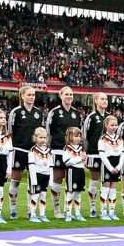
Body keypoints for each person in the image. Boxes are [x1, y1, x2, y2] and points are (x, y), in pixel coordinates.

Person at [9, 85, 44, 220]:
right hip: (19, 150)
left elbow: (41, 133)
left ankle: (31, 210)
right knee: (15, 181)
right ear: (22, 96)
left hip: (34, 152)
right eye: (29, 95)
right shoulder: (16, 112)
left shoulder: (38, 113)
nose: (31, 97)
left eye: (33, 95)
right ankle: (13, 209)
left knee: (33, 182)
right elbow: (10, 132)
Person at [47, 87, 83, 218]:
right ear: (60, 95)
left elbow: (79, 133)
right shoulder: (54, 112)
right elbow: (48, 132)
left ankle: (69, 210)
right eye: (66, 94)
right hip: (57, 149)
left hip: (73, 151)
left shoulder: (76, 113)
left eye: (71, 94)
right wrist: (48, 149)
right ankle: (57, 209)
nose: (69, 96)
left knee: (72, 180)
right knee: (57, 179)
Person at [82, 92, 109, 219]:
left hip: (108, 155)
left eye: (106, 99)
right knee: (94, 181)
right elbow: (85, 136)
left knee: (106, 182)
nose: (104, 101)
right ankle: (92, 207)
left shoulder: (109, 117)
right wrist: (85, 152)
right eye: (102, 99)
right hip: (94, 153)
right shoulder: (91, 117)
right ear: (96, 101)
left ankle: (104, 208)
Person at [98, 116, 124, 220]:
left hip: (117, 165)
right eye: (112, 125)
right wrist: (110, 168)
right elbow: (102, 155)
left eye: (116, 125)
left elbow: (122, 153)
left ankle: (112, 212)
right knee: (105, 189)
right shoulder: (103, 139)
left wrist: (118, 167)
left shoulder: (119, 138)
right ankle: (103, 213)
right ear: (106, 125)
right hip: (107, 165)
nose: (114, 127)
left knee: (113, 190)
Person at [60, 126, 87, 222]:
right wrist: (80, 159)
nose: (78, 138)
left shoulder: (81, 148)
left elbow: (84, 159)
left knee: (78, 193)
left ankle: (77, 213)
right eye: (76, 136)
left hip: (80, 171)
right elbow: (67, 162)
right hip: (72, 171)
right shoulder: (67, 148)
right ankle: (68, 213)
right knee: (70, 192)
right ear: (70, 137)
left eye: (79, 136)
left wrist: (84, 161)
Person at [26, 127, 52, 222]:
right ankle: (32, 215)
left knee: (43, 195)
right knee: (35, 195)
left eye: (44, 138)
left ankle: (42, 214)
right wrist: (33, 179)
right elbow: (31, 165)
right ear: (35, 138)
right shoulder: (33, 150)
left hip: (46, 175)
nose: (43, 140)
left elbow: (51, 165)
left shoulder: (49, 150)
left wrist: (51, 178)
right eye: (40, 137)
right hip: (36, 175)